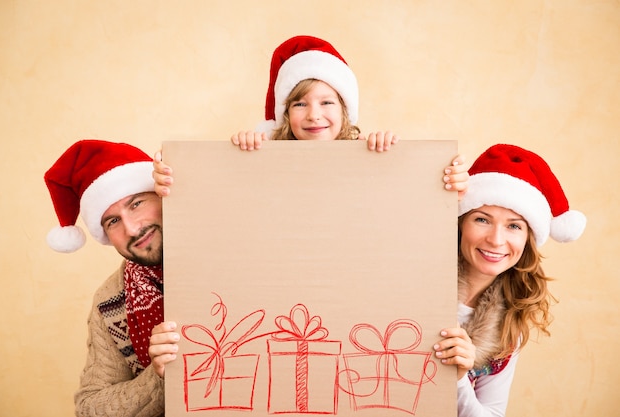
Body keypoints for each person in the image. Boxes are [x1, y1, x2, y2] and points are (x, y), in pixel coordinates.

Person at [152, 35, 469, 198]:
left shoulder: (366, 151)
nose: (314, 115)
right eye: (300, 104)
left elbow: (405, 200)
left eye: (327, 102)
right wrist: (242, 151)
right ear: (286, 114)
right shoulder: (265, 152)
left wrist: (390, 154)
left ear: (345, 111)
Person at [432, 144, 586, 416]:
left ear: (527, 239)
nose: (496, 240)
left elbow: (492, 413)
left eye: (514, 226)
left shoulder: (507, 328)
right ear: (460, 224)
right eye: (482, 219)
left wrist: (457, 380)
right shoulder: (416, 277)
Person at [45, 139, 168, 417]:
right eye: (112, 221)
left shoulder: (227, 246)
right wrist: (158, 375)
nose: (132, 228)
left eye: (136, 204)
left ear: (162, 195)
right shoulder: (111, 302)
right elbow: (90, 407)